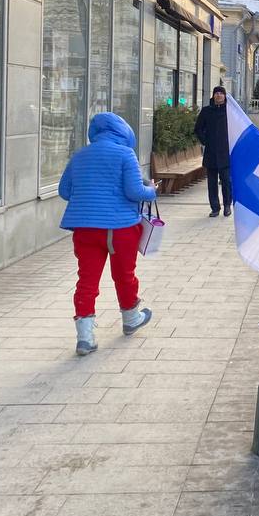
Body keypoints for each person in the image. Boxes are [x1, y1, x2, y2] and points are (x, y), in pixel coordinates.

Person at [57, 112, 157, 356]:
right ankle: (131, 318)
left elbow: (64, 191)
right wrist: (152, 190)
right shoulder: (125, 154)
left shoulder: (79, 155)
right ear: (123, 132)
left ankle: (85, 337)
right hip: (120, 228)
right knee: (124, 275)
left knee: (87, 280)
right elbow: (134, 192)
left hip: (85, 229)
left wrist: (88, 194)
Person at [195, 85, 232, 217]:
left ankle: (227, 205)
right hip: (211, 153)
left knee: (226, 181)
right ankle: (215, 208)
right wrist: (205, 141)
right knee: (212, 183)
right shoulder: (206, 111)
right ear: (213, 96)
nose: (219, 95)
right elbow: (198, 129)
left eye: (221, 93)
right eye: (216, 93)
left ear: (225, 96)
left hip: (225, 153)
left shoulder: (229, 112)